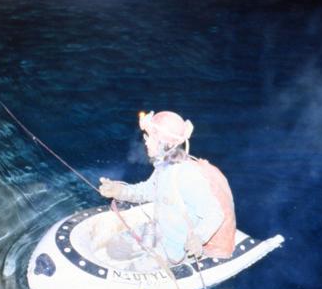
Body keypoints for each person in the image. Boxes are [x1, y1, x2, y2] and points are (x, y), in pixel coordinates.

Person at [98, 110, 236, 267]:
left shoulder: (187, 175)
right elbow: (148, 191)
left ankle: (177, 259)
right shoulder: (164, 166)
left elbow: (215, 213)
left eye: (150, 138)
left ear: (167, 144)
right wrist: (119, 191)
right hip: (161, 230)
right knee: (114, 247)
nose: (146, 142)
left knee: (131, 270)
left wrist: (198, 238)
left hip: (175, 247)